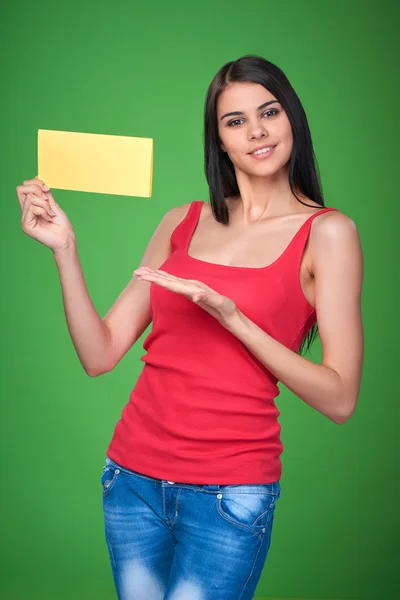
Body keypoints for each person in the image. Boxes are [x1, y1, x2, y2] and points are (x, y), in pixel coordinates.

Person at [16, 54, 364, 600]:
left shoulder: (329, 233)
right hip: (131, 480)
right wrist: (65, 250)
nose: (256, 132)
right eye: (235, 121)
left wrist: (234, 318)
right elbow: (99, 354)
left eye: (269, 112)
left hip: (230, 495)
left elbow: (340, 398)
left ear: (291, 118)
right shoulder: (182, 220)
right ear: (219, 140)